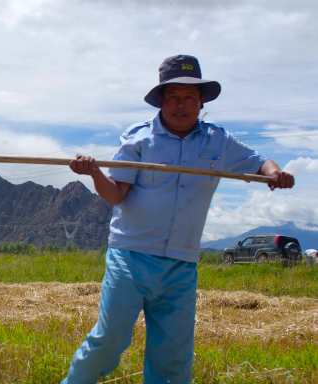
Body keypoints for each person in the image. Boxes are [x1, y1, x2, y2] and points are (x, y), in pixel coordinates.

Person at [62, 54, 295, 384]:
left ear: (201, 103)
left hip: (181, 264)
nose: (180, 105)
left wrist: (275, 173)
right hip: (131, 256)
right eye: (173, 97)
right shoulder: (139, 138)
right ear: (161, 101)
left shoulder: (218, 141)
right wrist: (94, 172)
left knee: (172, 358)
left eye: (189, 97)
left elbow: (259, 162)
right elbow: (116, 194)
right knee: (109, 340)